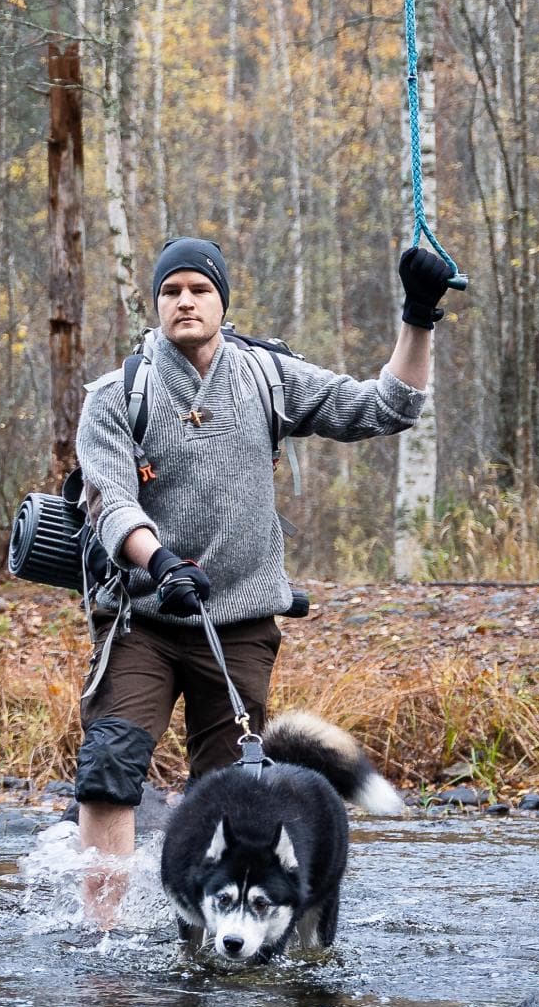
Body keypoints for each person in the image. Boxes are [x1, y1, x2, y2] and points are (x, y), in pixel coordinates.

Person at [69, 235, 454, 925]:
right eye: (170, 291)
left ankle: (211, 933)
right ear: (156, 304)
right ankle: (105, 939)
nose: (184, 301)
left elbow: (388, 408)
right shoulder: (116, 395)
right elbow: (111, 502)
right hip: (142, 620)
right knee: (109, 769)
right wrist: (159, 560)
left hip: (238, 625)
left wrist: (418, 314)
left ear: (222, 301)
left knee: (231, 794)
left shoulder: (269, 378)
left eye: (198, 289)